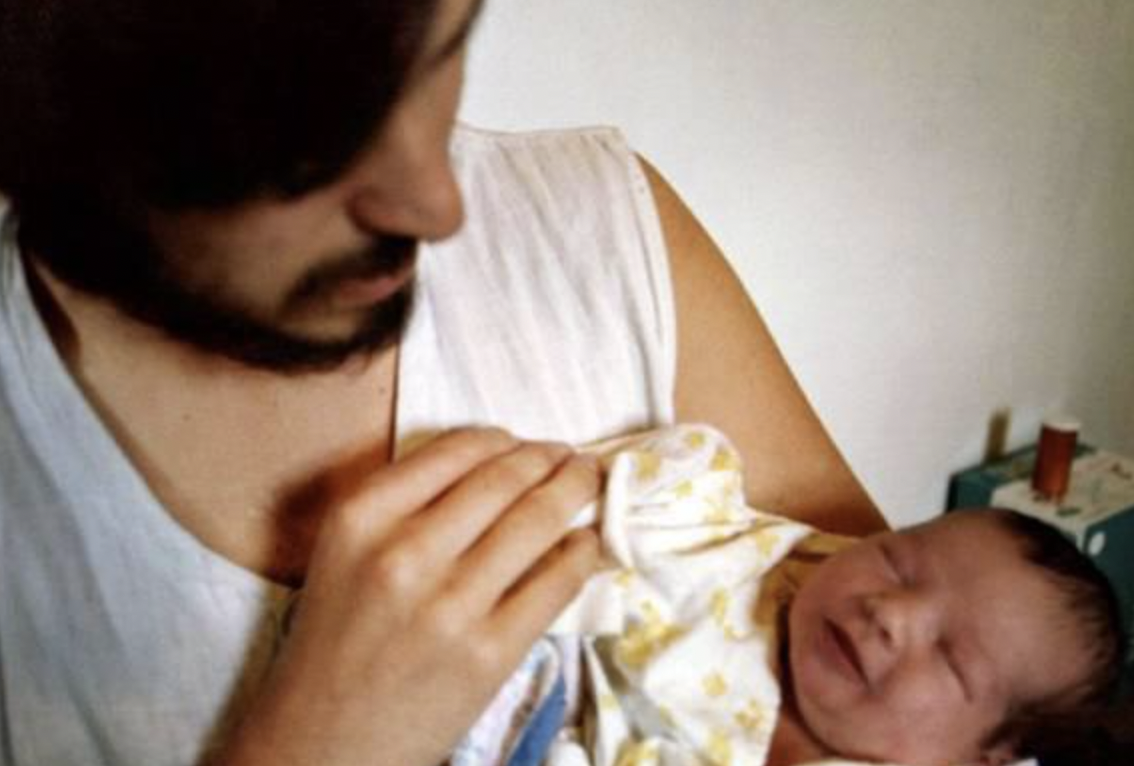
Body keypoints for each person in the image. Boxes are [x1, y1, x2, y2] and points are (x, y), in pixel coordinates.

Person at [0, 1, 886, 765]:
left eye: (444, 52)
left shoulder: (598, 228)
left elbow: (957, 700)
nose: (436, 205)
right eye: (305, 134)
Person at [451, 425, 1125, 766]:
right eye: (897, 561)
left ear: (986, 753)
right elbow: (671, 482)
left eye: (950, 656)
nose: (890, 614)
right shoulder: (746, 561)